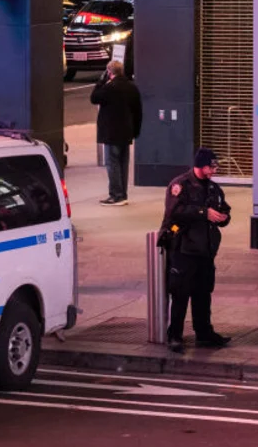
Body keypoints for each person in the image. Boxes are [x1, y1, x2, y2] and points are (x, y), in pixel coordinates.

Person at [159, 148, 231, 353]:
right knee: (180, 294)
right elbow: (175, 212)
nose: (213, 171)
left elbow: (223, 208)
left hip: (205, 250)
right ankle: (175, 335)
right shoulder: (180, 185)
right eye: (211, 167)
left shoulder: (214, 189)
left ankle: (204, 333)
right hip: (184, 249)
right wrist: (203, 212)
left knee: (203, 294)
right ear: (200, 166)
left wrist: (223, 217)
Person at [90, 60, 143, 206]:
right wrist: (136, 131)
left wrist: (100, 82)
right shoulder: (132, 87)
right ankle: (123, 194)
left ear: (109, 72)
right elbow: (138, 112)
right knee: (123, 163)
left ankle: (116, 195)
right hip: (126, 132)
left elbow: (94, 98)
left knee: (112, 164)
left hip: (111, 133)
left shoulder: (109, 88)